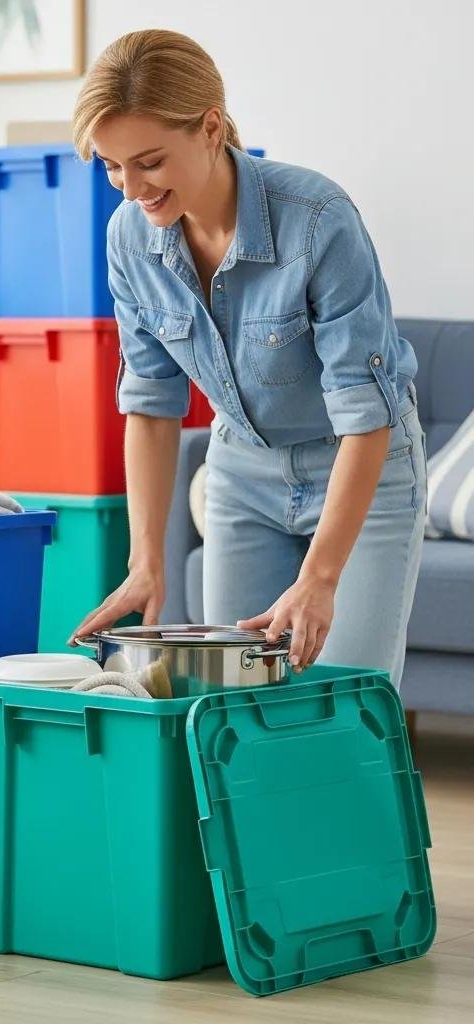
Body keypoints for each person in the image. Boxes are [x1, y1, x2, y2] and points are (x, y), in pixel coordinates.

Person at [67, 29, 427, 686]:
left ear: (209, 127)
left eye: (148, 162)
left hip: (359, 467)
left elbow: (366, 417)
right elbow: (150, 403)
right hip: (240, 474)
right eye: (112, 166)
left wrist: (320, 579)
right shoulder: (129, 239)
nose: (130, 190)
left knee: (343, 705)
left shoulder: (317, 218)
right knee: (236, 709)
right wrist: (145, 563)